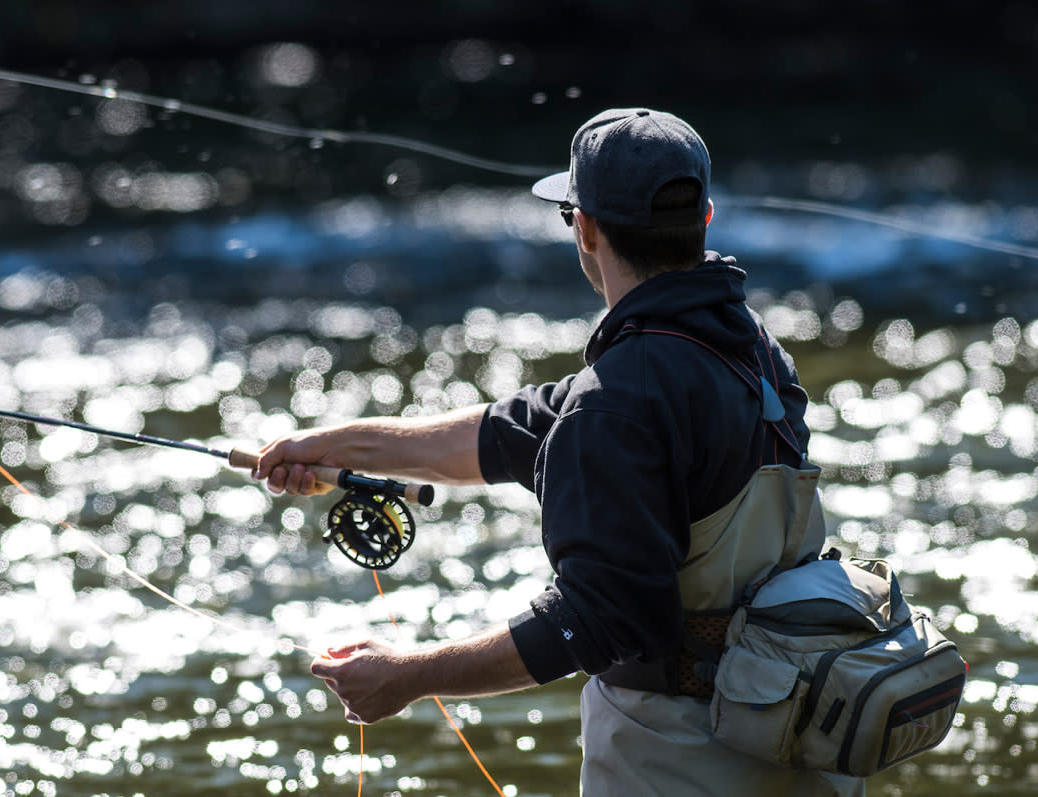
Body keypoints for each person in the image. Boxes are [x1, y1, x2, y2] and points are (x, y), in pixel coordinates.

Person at [254, 108, 861, 795]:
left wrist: (407, 675)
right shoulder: (751, 349)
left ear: (586, 227)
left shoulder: (617, 399)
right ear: (705, 218)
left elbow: (595, 620)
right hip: (804, 750)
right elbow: (500, 434)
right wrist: (333, 444)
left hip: (683, 764)